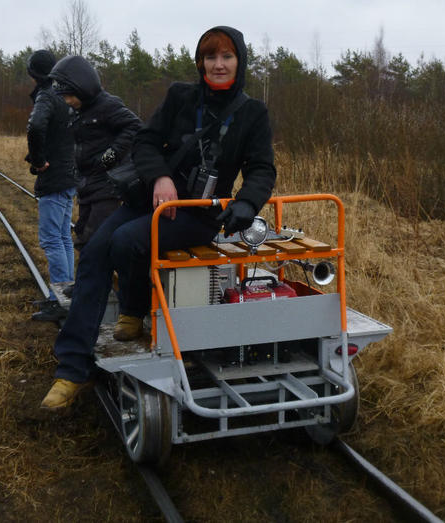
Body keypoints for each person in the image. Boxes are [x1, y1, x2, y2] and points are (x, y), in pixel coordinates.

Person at [41, 25, 276, 409]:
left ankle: (133, 309)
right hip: (153, 199)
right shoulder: (181, 97)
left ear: (239, 61)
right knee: (96, 251)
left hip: (198, 214)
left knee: (127, 240)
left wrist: (247, 204)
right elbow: (146, 140)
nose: (218, 65)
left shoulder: (252, 113)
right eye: (210, 57)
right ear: (200, 62)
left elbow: (262, 168)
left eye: (226, 57)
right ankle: (71, 368)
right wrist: (160, 176)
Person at [48, 55, 142, 251]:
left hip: (106, 187)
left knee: (95, 243)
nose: (67, 101)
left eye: (69, 95)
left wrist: (111, 155)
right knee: (83, 236)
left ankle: (96, 281)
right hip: (86, 186)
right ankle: (91, 281)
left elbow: (134, 127)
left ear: (82, 88)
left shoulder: (108, 105)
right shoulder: (77, 111)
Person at [26, 49, 78, 323]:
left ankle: (61, 299)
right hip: (69, 173)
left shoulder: (47, 95)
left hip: (55, 176)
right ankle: (65, 293)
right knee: (63, 236)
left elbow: (35, 128)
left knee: (51, 239)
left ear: (34, 74)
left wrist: (38, 160)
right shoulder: (66, 94)